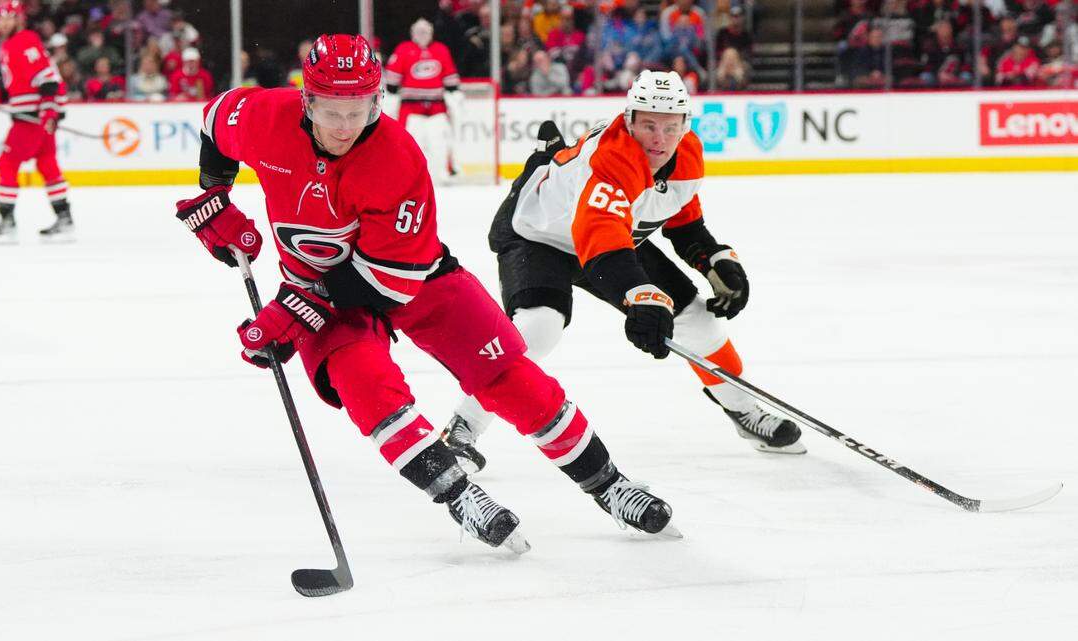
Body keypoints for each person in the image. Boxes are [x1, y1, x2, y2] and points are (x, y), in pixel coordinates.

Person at [176, 34, 678, 553]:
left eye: (360, 109)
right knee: (367, 390)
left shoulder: (398, 157)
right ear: (307, 99)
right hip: (317, 287)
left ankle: (608, 483)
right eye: (332, 109)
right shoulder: (265, 117)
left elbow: (389, 278)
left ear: (377, 100)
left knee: (508, 374)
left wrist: (295, 311)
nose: (346, 126)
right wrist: (217, 194)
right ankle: (460, 495)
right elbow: (216, 118)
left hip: (412, 275)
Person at [442, 70, 806, 473]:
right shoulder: (614, 158)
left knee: (699, 323)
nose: (659, 139)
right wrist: (642, 297)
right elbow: (600, 244)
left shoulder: (686, 154)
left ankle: (743, 410)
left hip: (613, 236)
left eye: (670, 127)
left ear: (686, 126)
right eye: (648, 124)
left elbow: (679, 218)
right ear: (629, 120)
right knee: (537, 330)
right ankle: (462, 427)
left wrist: (713, 259)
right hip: (538, 233)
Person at [0, 0, 73, 242]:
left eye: (8, 17)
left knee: (7, 163)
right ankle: (65, 219)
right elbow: (15, 85)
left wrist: (49, 112)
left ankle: (7, 220)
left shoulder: (24, 40)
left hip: (32, 118)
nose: (3, 23)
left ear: (18, 18)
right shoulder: (10, 44)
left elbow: (48, 79)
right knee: (47, 164)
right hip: (36, 115)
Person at [384, 18, 463, 185]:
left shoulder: (441, 50)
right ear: (412, 33)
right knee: (410, 146)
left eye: (425, 31)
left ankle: (441, 174)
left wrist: (455, 96)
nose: (422, 35)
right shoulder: (404, 50)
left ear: (431, 33)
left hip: (437, 108)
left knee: (440, 144)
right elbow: (392, 83)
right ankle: (408, 177)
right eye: (419, 32)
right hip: (411, 109)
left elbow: (451, 81)